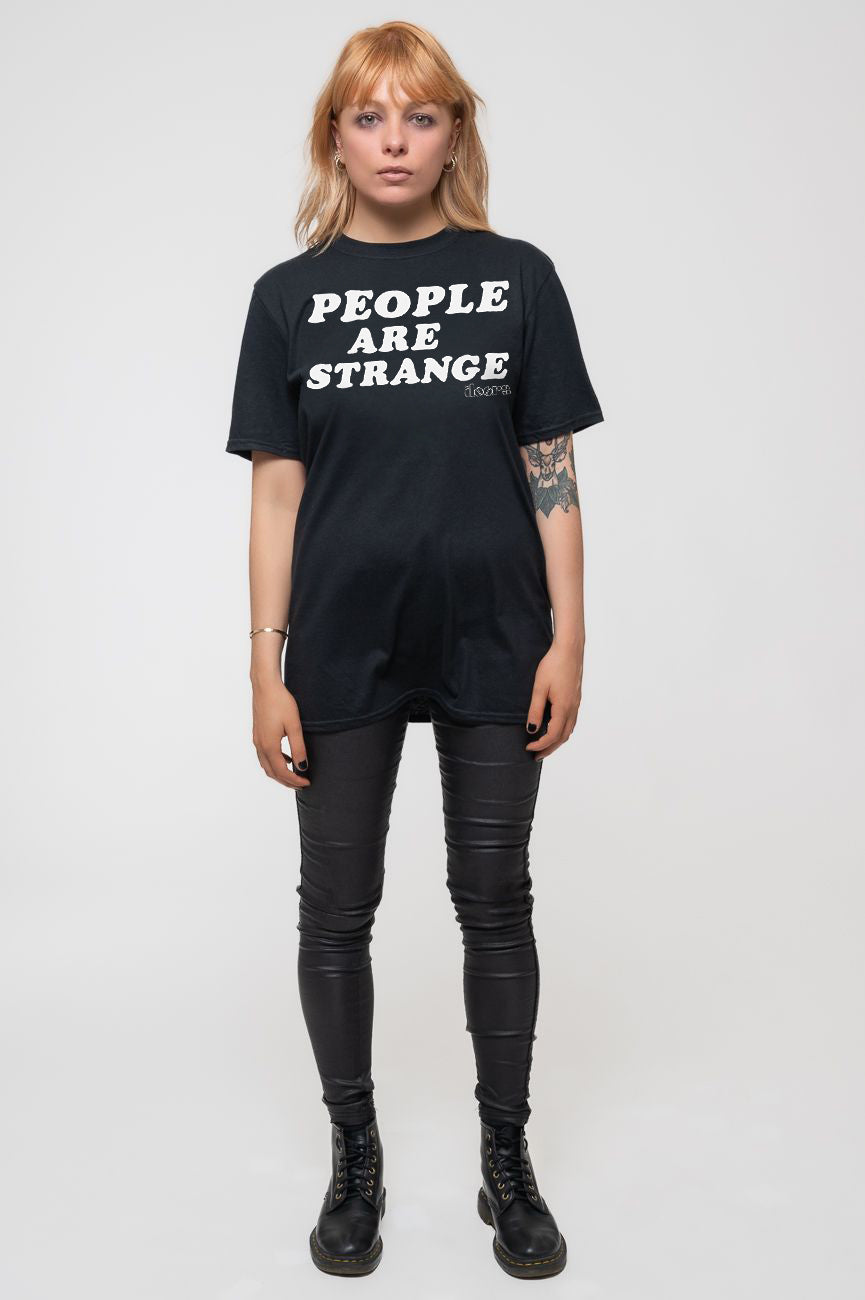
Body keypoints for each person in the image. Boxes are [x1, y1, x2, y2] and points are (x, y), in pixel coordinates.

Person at [225, 20, 603, 1281]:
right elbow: (277, 493)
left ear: (454, 133)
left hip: (498, 632)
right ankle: (355, 1155)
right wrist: (265, 661)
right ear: (334, 137)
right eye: (370, 116)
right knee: (336, 909)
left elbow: (551, 470)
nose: (395, 140)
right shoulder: (286, 299)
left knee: (495, 898)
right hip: (341, 640)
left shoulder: (518, 278)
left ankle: (507, 1157)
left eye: (420, 115)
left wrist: (570, 636)